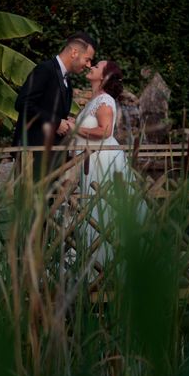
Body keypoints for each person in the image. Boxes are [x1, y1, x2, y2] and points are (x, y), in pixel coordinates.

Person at [72, 60, 131, 265]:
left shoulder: (104, 100)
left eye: (97, 66)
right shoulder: (94, 99)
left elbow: (105, 131)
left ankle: (105, 258)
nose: (91, 67)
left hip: (101, 160)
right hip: (90, 159)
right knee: (92, 207)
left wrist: (74, 128)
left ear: (104, 76)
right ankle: (92, 255)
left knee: (103, 206)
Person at [12, 31, 96, 172]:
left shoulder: (66, 79)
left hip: (52, 156)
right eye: (87, 59)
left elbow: (50, 109)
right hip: (33, 154)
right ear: (74, 52)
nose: (89, 65)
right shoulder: (45, 70)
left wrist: (65, 120)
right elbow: (23, 103)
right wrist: (56, 122)